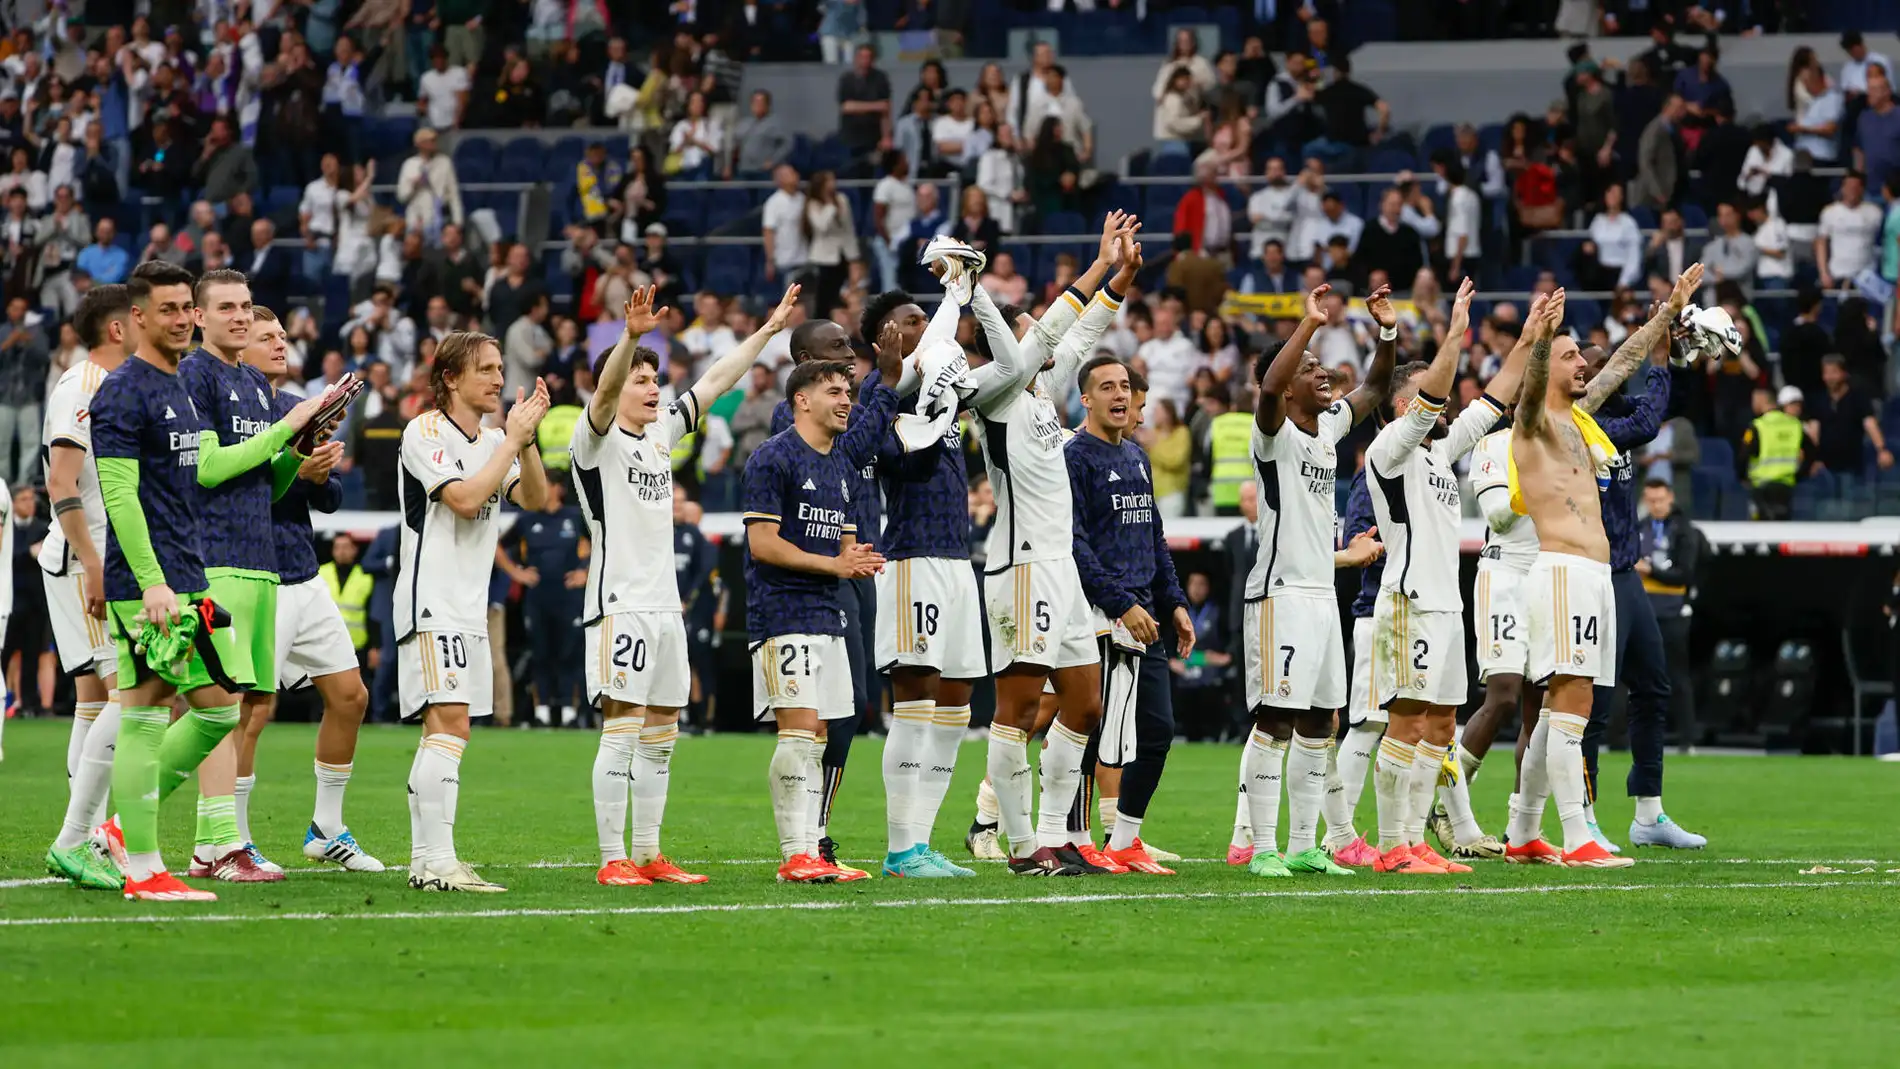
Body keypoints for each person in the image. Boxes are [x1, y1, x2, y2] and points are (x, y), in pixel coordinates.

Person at [87, 261, 323, 902]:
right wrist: (151, 582)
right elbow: (120, 496)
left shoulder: (176, 389)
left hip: (190, 575)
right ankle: (139, 863)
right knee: (142, 717)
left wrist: (292, 455)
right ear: (137, 318)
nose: (182, 320)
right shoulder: (124, 391)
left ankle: (115, 838)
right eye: (170, 309)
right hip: (154, 584)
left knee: (218, 710)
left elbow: (198, 483)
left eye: (184, 309)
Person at [571, 284, 799, 887]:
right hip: (620, 604)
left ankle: (647, 853)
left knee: (662, 735)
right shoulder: (593, 441)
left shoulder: (658, 437)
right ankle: (610, 856)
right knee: (621, 729)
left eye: (656, 380)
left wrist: (769, 330)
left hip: (666, 607)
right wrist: (630, 339)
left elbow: (717, 381)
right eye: (642, 380)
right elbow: (601, 396)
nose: (653, 389)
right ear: (617, 386)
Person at [1507, 267, 1701, 869]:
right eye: (1571, 357)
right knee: (1575, 705)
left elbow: (1622, 361)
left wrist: (1668, 312)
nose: (1583, 364)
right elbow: (1536, 382)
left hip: (1595, 575)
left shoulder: (1585, 420)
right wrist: (1542, 340)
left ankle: (1521, 831)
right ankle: (1578, 835)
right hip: (1564, 572)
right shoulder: (1536, 421)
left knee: (1561, 709)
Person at [954, 223, 1128, 874]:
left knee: (1085, 704)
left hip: (1061, 572)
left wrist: (1120, 279)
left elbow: (1077, 334)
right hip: (1021, 566)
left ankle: (1059, 833)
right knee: (1020, 707)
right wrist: (1095, 265)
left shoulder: (1040, 395)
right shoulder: (995, 394)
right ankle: (1021, 843)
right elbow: (1056, 330)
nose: (1043, 334)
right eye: (1027, 328)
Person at [1364, 276, 1530, 875]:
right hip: (1409, 602)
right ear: (1406, 405)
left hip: (1446, 605)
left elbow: (1492, 400)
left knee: (1439, 724)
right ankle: (1392, 848)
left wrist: (1530, 338)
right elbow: (1440, 394)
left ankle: (1415, 842)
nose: (1445, 405)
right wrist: (1455, 331)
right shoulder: (1389, 449)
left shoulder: (1438, 452)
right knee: (1408, 721)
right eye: (1428, 396)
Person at [173, 270, 336, 881]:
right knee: (206, 708)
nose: (241, 317)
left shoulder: (249, 381)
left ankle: (212, 845)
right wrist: (289, 429)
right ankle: (126, 828)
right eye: (227, 308)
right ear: (199, 317)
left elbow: (266, 485)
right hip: (214, 560)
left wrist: (295, 459)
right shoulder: (197, 374)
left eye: (246, 306)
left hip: (258, 560)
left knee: (226, 708)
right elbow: (210, 468)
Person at [1235, 281, 1396, 879]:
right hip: (1279, 594)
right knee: (1274, 720)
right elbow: (1271, 385)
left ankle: (1305, 844)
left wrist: (1386, 331)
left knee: (1320, 720)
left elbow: (1378, 386)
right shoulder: (1271, 431)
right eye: (1310, 367)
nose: (1321, 371)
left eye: (1319, 364)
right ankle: (1262, 847)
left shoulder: (1328, 427)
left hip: (1322, 596)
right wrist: (1306, 325)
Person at [395, 333, 551, 892]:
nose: (496, 379)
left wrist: (525, 441)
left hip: (468, 603)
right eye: (484, 369)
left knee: (445, 730)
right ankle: (440, 862)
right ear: (451, 378)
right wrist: (509, 441)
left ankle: (426, 861)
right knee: (451, 725)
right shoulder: (424, 431)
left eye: (500, 368)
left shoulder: (492, 440)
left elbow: (535, 499)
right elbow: (462, 500)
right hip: (432, 597)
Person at [742, 334, 901, 884]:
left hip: (827, 613)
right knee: (799, 730)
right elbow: (762, 543)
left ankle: (812, 847)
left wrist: (851, 560)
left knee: (821, 734)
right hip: (781, 611)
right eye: (834, 390)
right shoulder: (773, 457)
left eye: (850, 393)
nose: (846, 401)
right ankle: (795, 855)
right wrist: (835, 565)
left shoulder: (839, 469)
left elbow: (841, 545)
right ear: (801, 400)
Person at [238, 306, 381, 872]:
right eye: (265, 337)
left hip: (302, 568)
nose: (280, 344)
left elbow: (330, 499)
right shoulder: (233, 409)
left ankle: (326, 827)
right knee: (252, 708)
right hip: (254, 572)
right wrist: (297, 469)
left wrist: (319, 474)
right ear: (237, 346)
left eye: (281, 335)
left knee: (351, 697)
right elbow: (239, 490)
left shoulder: (296, 407)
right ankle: (234, 837)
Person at [1577, 326, 1708, 851]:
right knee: (1595, 707)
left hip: (1626, 575)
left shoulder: (1615, 410)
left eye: (1599, 365)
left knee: (1654, 687)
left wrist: (1676, 353)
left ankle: (1648, 815)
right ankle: (1581, 817)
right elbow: (1652, 420)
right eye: (1585, 367)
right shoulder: (1581, 426)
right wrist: (1659, 360)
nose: (1595, 371)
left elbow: (1667, 407)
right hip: (1592, 576)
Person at [1065, 353, 1194, 875]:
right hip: (1099, 614)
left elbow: (1153, 539)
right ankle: (1072, 837)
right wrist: (1121, 604)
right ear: (1086, 399)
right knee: (1091, 731)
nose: (1120, 395)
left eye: (1125, 386)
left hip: (1146, 617)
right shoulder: (1075, 457)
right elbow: (1073, 543)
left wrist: (1176, 603)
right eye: (1107, 387)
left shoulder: (1138, 458)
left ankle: (1124, 840)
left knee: (1156, 730)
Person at [40, 285, 135, 891]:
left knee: (97, 702)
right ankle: (80, 838)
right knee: (135, 690)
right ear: (120, 328)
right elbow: (60, 480)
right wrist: (95, 562)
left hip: (103, 560)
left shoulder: (122, 386)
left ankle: (88, 832)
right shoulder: (81, 388)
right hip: (88, 562)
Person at [1639, 480, 1699, 752]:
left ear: (1671, 498)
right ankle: (1633, 737)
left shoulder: (1684, 531)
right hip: (1643, 613)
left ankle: (1687, 738)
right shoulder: (1640, 528)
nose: (1656, 505)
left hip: (1673, 613)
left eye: (1660, 499)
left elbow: (1685, 573)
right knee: (1638, 677)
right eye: (1651, 500)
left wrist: (1652, 572)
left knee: (1677, 676)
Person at [1739, 385, 1814, 521]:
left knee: (1760, 531)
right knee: (1782, 529)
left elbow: (1744, 455)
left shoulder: (1758, 426)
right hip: (1786, 486)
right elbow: (1812, 453)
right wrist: (1799, 475)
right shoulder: (1795, 425)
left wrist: (1743, 478)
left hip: (1761, 487)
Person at [1816, 171, 1882, 291]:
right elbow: (1821, 243)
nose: (1852, 191)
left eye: (1856, 187)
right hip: (1838, 273)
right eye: (1849, 187)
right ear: (1842, 188)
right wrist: (1824, 273)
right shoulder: (1830, 212)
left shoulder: (1875, 212)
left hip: (1867, 275)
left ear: (1862, 189)